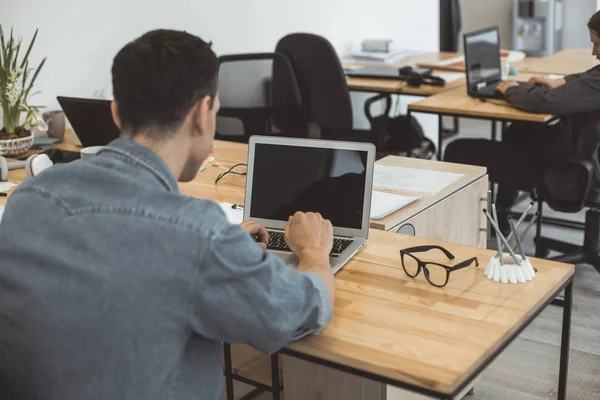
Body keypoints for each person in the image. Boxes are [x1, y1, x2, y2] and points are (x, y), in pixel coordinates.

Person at [0, 30, 336, 400]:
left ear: (115, 111)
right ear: (203, 113)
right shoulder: (197, 237)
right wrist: (315, 253)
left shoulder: (28, 197)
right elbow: (303, 310)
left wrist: (224, 250)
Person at [445, 10, 600, 231]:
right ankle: (502, 217)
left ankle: (461, 235)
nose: (594, 52)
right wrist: (562, 82)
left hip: (575, 174)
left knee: (458, 150)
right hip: (587, 163)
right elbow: (587, 78)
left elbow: (543, 102)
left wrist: (511, 89)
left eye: (598, 44)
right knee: (519, 131)